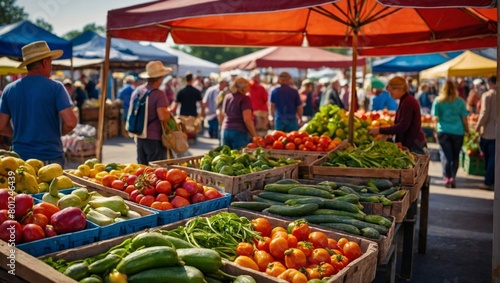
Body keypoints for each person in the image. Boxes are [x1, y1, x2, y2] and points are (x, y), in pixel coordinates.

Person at [0, 41, 77, 166]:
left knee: (14, 186)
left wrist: (19, 134)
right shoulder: (56, 87)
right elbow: (70, 122)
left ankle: (14, 187)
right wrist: (56, 133)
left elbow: (1, 126)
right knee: (53, 186)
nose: (51, 67)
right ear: (44, 62)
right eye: (51, 63)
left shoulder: (9, 89)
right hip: (50, 159)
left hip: (19, 159)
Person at [369, 76, 427, 154]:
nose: (390, 94)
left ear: (400, 89)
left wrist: (380, 130)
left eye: (391, 92)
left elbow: (402, 126)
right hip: (412, 143)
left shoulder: (408, 102)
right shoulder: (404, 100)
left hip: (414, 145)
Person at [130, 61, 171, 165]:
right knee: (154, 172)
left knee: (142, 169)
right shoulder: (158, 94)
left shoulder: (137, 91)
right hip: (154, 139)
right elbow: (162, 116)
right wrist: (169, 114)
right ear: (160, 77)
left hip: (139, 136)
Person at [431, 80, 469, 188]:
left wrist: (435, 131)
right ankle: (453, 177)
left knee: (448, 156)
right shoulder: (460, 101)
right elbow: (464, 118)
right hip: (458, 132)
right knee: (455, 156)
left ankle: (447, 178)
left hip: (443, 131)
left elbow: (435, 118)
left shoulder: (438, 101)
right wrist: (467, 130)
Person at [220, 77, 258, 149]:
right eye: (248, 87)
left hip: (225, 130)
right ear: (243, 88)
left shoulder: (228, 97)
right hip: (239, 132)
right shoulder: (245, 99)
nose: (250, 89)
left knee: (225, 157)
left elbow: (224, 113)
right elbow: (247, 119)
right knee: (239, 158)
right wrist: (255, 136)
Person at [475, 76, 496, 190]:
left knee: (490, 157)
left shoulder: (488, 95)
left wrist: (478, 127)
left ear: (490, 83)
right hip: (494, 131)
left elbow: (484, 113)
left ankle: (488, 181)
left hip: (489, 131)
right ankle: (491, 180)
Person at [248, 70, 269, 136]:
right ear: (256, 78)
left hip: (250, 111)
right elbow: (266, 99)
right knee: (261, 131)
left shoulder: (247, 87)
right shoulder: (261, 87)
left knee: (252, 131)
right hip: (261, 111)